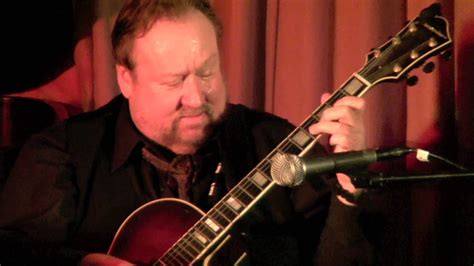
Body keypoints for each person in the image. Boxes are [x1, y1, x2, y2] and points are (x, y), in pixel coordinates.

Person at [0, 0, 372, 265]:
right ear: (125, 79)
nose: (196, 98)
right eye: (173, 80)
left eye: (207, 72)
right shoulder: (62, 154)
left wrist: (349, 186)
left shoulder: (275, 145)